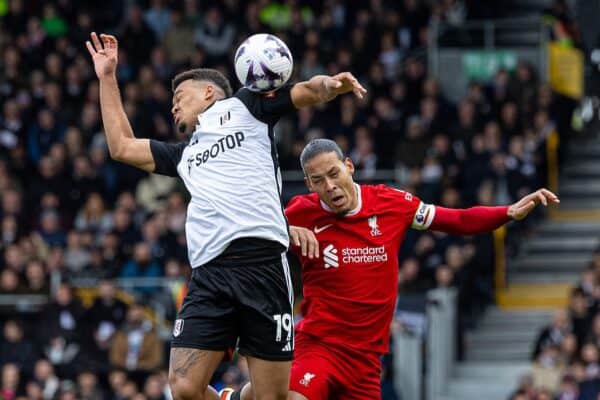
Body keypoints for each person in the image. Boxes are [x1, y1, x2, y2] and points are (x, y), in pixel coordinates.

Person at [85, 32, 366, 400]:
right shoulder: (182, 156)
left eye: (179, 97)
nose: (173, 107)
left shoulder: (247, 107)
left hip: (261, 265)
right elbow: (121, 146)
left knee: (272, 397)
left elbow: (303, 92)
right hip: (209, 275)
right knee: (184, 388)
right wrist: (107, 77)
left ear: (208, 93)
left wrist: (327, 86)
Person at [224, 138, 559, 400]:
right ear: (309, 186)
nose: (329, 186)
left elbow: (454, 219)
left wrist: (507, 213)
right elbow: (244, 234)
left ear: (349, 166)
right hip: (320, 346)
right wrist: (283, 230)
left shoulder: (391, 204)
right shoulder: (301, 213)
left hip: (367, 360)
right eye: (318, 181)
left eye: (333, 173)